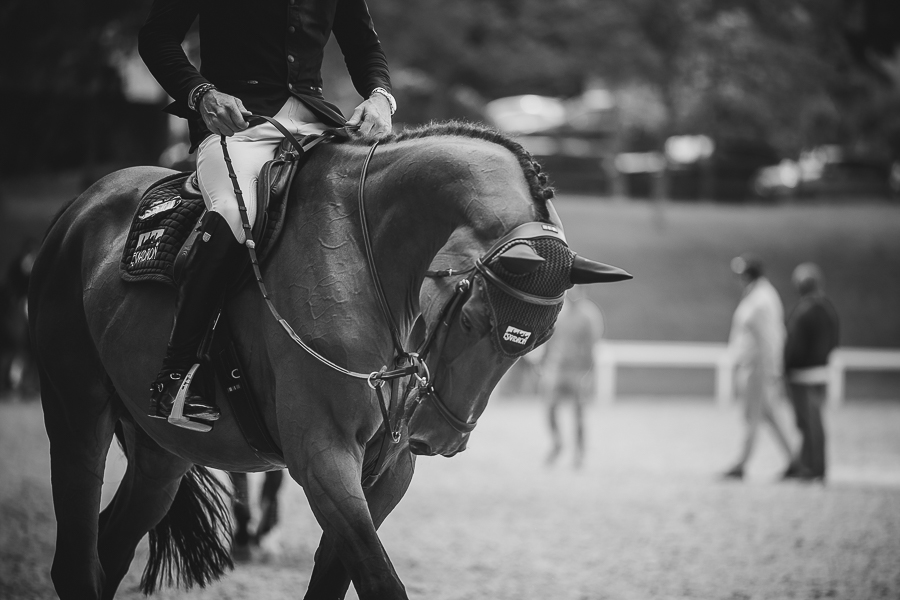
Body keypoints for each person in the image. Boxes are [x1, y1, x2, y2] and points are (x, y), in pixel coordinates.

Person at [138, 0, 395, 427]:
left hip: (316, 123)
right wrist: (201, 93)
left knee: (376, 205)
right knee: (237, 212)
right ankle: (177, 373)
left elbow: (364, 47)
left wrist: (381, 97)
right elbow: (157, 38)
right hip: (235, 124)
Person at [723, 254, 799, 479]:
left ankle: (741, 462)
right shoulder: (757, 295)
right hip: (752, 364)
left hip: (757, 366)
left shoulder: (762, 299)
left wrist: (772, 367)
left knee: (751, 415)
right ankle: (794, 458)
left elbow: (770, 337)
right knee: (769, 414)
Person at [783, 263, 839, 482]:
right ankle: (810, 463)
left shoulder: (804, 311)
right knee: (814, 422)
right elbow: (834, 341)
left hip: (802, 375)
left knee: (808, 423)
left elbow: (793, 345)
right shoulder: (828, 309)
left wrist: (786, 367)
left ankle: (813, 466)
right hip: (821, 372)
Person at [539, 286, 604, 468]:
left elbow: (592, 346)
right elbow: (549, 338)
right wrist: (544, 362)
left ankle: (580, 453)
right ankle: (557, 443)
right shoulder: (560, 312)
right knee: (550, 408)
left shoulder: (589, 315)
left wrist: (588, 372)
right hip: (557, 369)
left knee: (579, 414)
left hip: (577, 371)